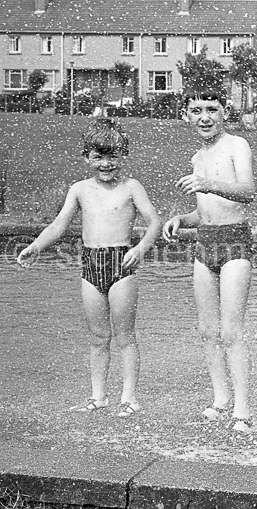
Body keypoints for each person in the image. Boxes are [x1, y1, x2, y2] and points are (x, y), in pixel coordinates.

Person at [17, 118, 161, 418]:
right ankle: (98, 396)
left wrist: (140, 248)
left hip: (122, 262)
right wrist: (35, 246)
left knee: (125, 336)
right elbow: (59, 224)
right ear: (86, 157)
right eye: (98, 157)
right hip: (91, 266)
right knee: (97, 337)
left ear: (123, 155)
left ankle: (129, 398)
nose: (106, 164)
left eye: (113, 156)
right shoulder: (80, 189)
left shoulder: (132, 187)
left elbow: (155, 222)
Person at [161, 86, 256, 432]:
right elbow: (205, 212)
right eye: (196, 110)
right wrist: (181, 220)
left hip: (234, 244)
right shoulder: (197, 158)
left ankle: (243, 410)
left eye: (212, 109)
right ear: (186, 115)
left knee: (231, 331)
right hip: (205, 243)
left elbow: (247, 191)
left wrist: (207, 183)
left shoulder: (236, 145)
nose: (204, 117)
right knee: (206, 330)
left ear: (223, 112)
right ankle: (220, 399)